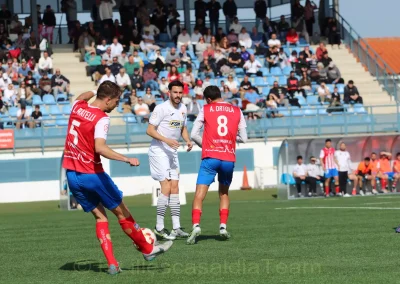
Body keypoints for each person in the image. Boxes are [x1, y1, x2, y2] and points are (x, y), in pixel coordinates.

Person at [62, 82, 173, 275]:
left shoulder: (77, 106)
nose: (116, 105)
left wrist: (94, 91)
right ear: (107, 99)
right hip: (92, 175)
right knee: (123, 213)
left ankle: (112, 264)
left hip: (72, 175)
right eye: (116, 100)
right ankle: (147, 250)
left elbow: (84, 95)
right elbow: (100, 148)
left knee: (100, 217)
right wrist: (126, 158)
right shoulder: (102, 119)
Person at [187, 85, 247, 244]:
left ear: (207, 99)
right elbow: (244, 138)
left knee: (199, 194)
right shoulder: (237, 110)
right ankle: (222, 227)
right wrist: (229, 140)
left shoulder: (206, 109)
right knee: (224, 193)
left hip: (210, 156)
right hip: (228, 157)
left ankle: (196, 226)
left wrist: (205, 145)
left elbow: (193, 134)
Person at [146, 81, 192, 240]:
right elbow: (149, 130)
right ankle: (159, 227)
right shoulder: (161, 108)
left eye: (180, 92)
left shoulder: (184, 108)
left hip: (172, 152)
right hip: (159, 151)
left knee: (175, 187)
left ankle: (176, 227)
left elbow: (183, 128)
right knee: (165, 185)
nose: (178, 95)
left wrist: (187, 140)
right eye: (175, 92)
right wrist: (166, 140)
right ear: (169, 92)